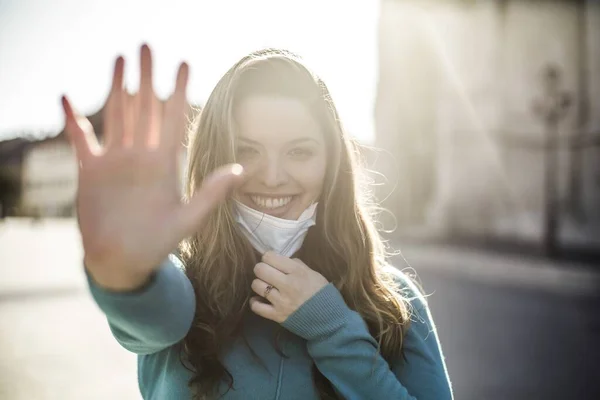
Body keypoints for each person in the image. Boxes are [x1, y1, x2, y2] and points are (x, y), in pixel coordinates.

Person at [62, 44, 453, 400]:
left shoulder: (390, 298)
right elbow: (152, 313)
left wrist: (333, 328)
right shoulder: (184, 282)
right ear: (213, 159)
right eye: (246, 152)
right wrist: (125, 276)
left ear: (332, 164)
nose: (272, 176)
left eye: (299, 152)